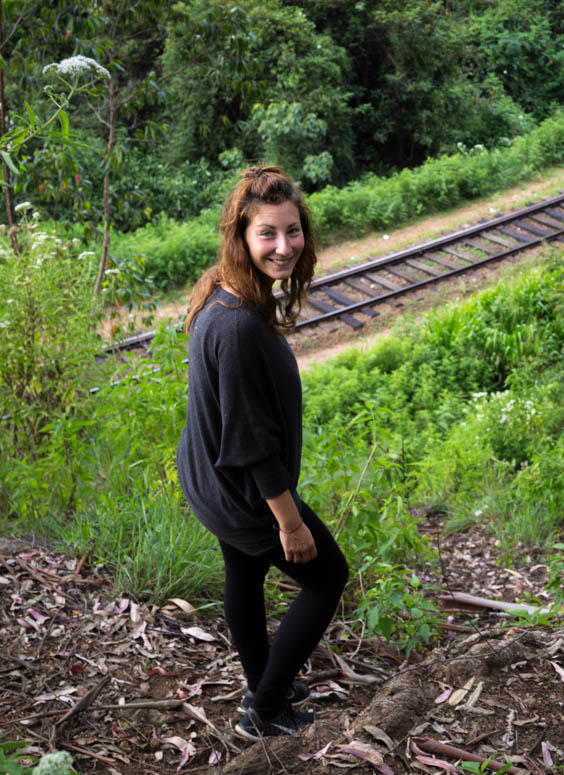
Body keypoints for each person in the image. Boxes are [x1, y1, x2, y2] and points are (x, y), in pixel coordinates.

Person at [177, 166, 348, 741]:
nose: (284, 246)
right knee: (326, 578)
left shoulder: (224, 293)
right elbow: (251, 444)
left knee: (244, 575)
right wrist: (290, 523)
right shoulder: (239, 326)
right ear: (242, 238)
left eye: (292, 231)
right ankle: (266, 709)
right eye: (268, 234)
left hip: (212, 478)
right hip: (243, 489)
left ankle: (261, 679)